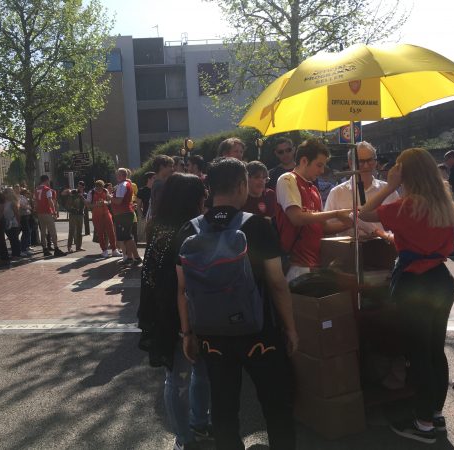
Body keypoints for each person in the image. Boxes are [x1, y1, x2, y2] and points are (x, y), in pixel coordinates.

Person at [175, 158, 298, 450]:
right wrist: (291, 328)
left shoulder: (189, 230)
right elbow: (277, 283)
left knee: (224, 407)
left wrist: (188, 334)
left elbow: (182, 289)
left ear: (210, 188)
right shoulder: (256, 226)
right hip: (259, 331)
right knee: (276, 404)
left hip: (211, 334)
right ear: (242, 185)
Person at [359, 148, 454, 444]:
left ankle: (423, 423)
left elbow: (365, 213)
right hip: (441, 281)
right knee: (434, 350)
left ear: (406, 174)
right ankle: (435, 413)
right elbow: (424, 241)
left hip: (414, 283)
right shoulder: (444, 203)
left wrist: (389, 185)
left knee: (417, 355)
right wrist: (393, 238)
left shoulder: (404, 206)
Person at [138, 173, 211, 450]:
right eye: (201, 194)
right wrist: (186, 328)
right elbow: (180, 284)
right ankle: (185, 436)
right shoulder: (188, 230)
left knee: (187, 375)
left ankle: (195, 428)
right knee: (181, 376)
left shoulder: (161, 227)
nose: (205, 198)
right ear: (193, 198)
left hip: (165, 312)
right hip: (181, 315)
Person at [275, 138, 353, 282]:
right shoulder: (287, 179)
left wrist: (351, 222)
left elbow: (323, 228)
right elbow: (296, 218)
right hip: (296, 266)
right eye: (319, 165)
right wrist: (336, 213)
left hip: (316, 265)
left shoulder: (314, 190)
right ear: (304, 161)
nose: (322, 171)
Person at [324, 141, 399, 238]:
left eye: (370, 160)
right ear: (351, 163)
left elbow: (398, 223)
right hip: (349, 249)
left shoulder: (388, 190)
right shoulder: (337, 192)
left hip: (384, 246)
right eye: (361, 161)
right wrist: (351, 222)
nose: (366, 166)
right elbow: (326, 228)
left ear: (376, 162)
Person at [112, 168, 141, 266]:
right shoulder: (125, 184)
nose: (116, 176)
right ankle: (130, 258)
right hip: (124, 213)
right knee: (126, 237)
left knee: (127, 237)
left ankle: (136, 258)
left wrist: (109, 197)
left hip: (123, 214)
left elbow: (119, 201)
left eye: (118, 174)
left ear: (122, 175)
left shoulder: (123, 185)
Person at [86, 180, 120, 258]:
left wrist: (105, 202)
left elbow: (109, 201)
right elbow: (88, 205)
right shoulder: (91, 193)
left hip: (106, 213)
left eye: (101, 188)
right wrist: (96, 204)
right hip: (96, 215)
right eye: (98, 189)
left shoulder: (105, 190)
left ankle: (114, 250)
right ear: (96, 187)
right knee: (100, 234)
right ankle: (104, 250)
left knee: (111, 232)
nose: (100, 190)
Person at [35, 175, 66, 257]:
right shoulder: (47, 189)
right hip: (47, 212)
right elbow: (50, 201)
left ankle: (45, 249)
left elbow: (35, 201)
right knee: (52, 231)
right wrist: (54, 212)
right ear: (47, 180)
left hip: (40, 213)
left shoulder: (37, 189)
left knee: (43, 231)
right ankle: (56, 249)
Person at [149, 155, 175, 220]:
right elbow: (161, 207)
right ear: (161, 167)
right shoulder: (160, 185)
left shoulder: (158, 183)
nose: (172, 169)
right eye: (170, 166)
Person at [63, 186, 85, 253]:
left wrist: (82, 197)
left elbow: (85, 204)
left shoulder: (81, 197)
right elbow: (67, 206)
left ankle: (78, 247)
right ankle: (70, 247)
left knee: (79, 231)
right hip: (74, 215)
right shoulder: (72, 197)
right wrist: (72, 210)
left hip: (79, 215)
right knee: (73, 231)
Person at [14, 185, 33, 257]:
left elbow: (28, 206)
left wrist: (27, 207)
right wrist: (26, 207)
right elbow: (21, 206)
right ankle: (22, 249)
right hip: (20, 217)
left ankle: (24, 248)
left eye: (18, 188)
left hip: (26, 216)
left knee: (27, 232)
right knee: (23, 232)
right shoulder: (14, 197)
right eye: (16, 188)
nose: (18, 190)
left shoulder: (22, 197)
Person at [136, 171, 155, 242]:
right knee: (146, 239)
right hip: (146, 218)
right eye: (154, 178)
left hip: (156, 217)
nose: (156, 179)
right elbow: (138, 206)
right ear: (148, 179)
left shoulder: (157, 189)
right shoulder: (142, 191)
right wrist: (142, 217)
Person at [3, 187, 22, 258]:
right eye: (4, 192)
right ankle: (15, 253)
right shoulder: (4, 202)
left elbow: (17, 214)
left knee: (14, 239)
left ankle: (17, 253)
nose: (4, 194)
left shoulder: (13, 203)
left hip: (14, 223)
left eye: (6, 192)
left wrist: (19, 223)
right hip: (7, 223)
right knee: (11, 239)